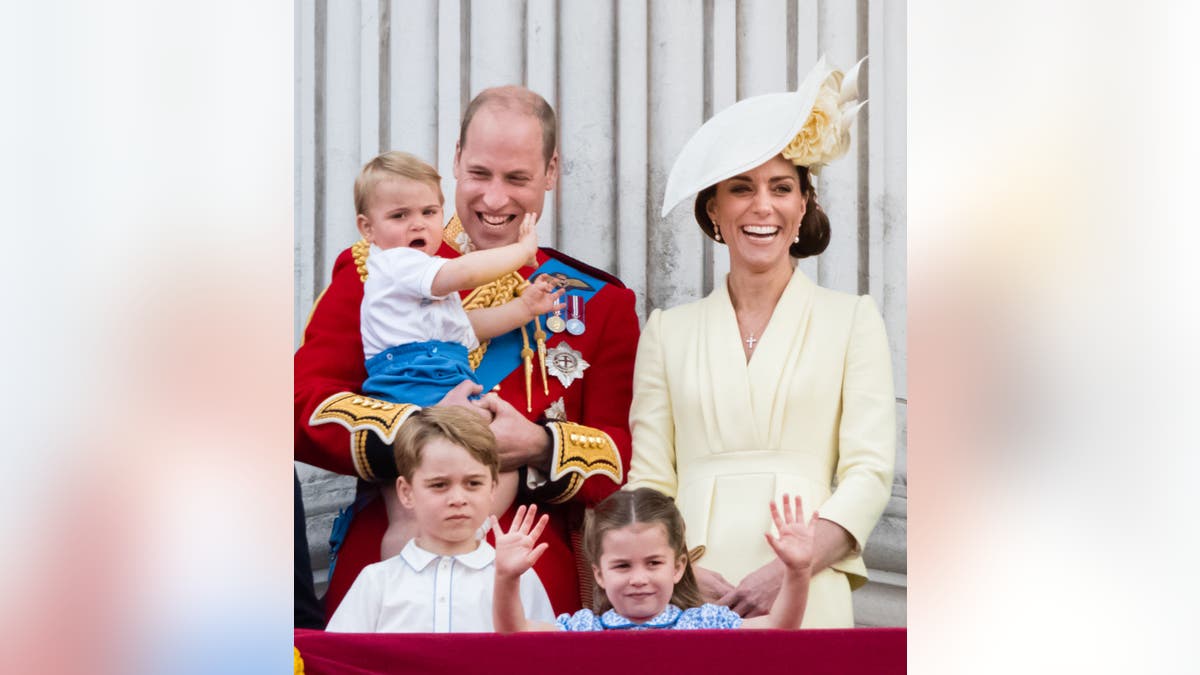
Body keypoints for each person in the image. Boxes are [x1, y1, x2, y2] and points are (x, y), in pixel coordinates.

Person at [295, 85, 640, 618]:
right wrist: (417, 431)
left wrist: (540, 446)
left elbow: (619, 458)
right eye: (479, 174)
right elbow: (300, 406)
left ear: (551, 171)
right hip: (391, 571)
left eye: (518, 178)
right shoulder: (375, 265)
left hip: (526, 581)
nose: (495, 199)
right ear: (455, 160)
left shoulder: (599, 303)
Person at [625, 56, 895, 628]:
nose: (762, 205)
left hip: (808, 579)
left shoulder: (854, 320)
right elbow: (649, 480)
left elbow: (868, 471)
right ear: (714, 211)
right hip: (693, 589)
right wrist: (678, 572)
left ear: (803, 206)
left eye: (781, 187)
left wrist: (793, 569)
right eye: (740, 188)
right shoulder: (666, 332)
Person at [350, 150, 564, 559]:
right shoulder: (399, 264)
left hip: (436, 375)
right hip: (413, 389)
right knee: (424, 508)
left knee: (470, 482)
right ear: (368, 228)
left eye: (429, 212)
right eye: (400, 216)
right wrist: (523, 253)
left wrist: (523, 309)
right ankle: (402, 586)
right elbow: (462, 274)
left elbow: (467, 329)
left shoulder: (419, 277)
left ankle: (464, 545)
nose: (418, 224)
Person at [326, 406, 555, 632]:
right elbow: (340, 661)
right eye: (439, 485)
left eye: (473, 483)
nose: (457, 499)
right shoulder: (376, 582)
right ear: (406, 492)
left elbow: (547, 659)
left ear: (493, 488)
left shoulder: (519, 577)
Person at [491, 488, 816, 631]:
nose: (638, 578)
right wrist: (506, 577)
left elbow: (779, 625)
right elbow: (514, 630)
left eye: (653, 563)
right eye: (622, 565)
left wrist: (798, 571)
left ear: (678, 567)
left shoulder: (704, 624)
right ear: (599, 574)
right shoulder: (585, 628)